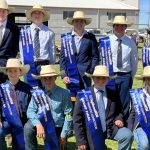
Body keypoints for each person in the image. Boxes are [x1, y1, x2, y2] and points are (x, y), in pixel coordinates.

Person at [73, 65, 133, 150]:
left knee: (127, 135)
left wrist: (118, 118)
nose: (101, 81)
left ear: (108, 79)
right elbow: (77, 119)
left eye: (104, 78)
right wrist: (80, 141)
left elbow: (120, 110)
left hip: (110, 128)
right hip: (92, 131)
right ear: (93, 78)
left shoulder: (113, 94)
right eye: (98, 78)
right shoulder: (84, 95)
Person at [24, 65, 73, 150]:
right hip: (41, 122)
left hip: (57, 126)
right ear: (41, 80)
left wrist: (63, 134)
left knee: (60, 146)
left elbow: (68, 115)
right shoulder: (37, 93)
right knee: (28, 127)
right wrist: (38, 125)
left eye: (50, 78)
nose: (47, 81)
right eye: (45, 78)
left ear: (55, 78)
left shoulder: (65, 93)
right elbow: (30, 111)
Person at [60, 10, 99, 101]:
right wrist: (64, 75)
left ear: (85, 23)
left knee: (86, 100)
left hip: (85, 75)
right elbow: (62, 58)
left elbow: (95, 56)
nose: (79, 23)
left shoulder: (91, 37)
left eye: (81, 21)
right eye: (76, 21)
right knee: (72, 100)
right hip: (70, 76)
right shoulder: (66, 38)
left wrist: (91, 71)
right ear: (73, 23)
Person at [105, 15, 138, 121]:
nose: (119, 28)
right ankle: (110, 122)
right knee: (110, 100)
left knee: (124, 101)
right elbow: (102, 59)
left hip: (125, 75)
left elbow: (134, 62)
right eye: (117, 25)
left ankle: (123, 121)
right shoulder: (106, 41)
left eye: (122, 26)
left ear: (125, 27)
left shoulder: (131, 42)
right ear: (113, 26)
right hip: (110, 75)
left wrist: (130, 77)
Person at [20, 4, 55, 87]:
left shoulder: (49, 32)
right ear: (31, 16)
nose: (37, 15)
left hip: (44, 64)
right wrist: (23, 64)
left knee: (45, 90)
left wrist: (52, 66)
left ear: (43, 16)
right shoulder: (24, 31)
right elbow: (21, 49)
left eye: (39, 13)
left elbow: (52, 51)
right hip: (29, 64)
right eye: (35, 13)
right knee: (29, 89)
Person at [0, 58, 32, 150]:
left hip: (22, 121)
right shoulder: (1, 88)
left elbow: (32, 107)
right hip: (6, 121)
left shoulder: (27, 89)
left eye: (15, 71)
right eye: (10, 71)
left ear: (20, 72)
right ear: (6, 72)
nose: (13, 73)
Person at [128, 66, 150, 150]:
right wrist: (130, 131)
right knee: (144, 145)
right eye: (148, 79)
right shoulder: (138, 95)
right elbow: (133, 113)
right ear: (144, 80)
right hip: (141, 126)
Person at [0, 0, 20, 84]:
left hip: (6, 67)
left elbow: (15, 49)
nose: (1, 13)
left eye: (3, 11)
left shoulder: (14, 28)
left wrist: (7, 63)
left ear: (7, 12)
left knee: (5, 93)